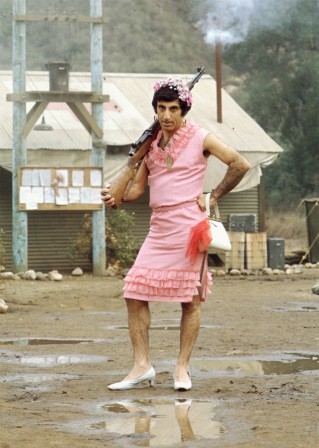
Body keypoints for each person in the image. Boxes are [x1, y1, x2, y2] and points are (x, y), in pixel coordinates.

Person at [101, 76, 250, 391]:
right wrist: (118, 186)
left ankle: (182, 369)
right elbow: (136, 192)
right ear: (155, 110)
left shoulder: (201, 137)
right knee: (134, 292)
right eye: (161, 108)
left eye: (173, 109)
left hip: (189, 226)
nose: (166, 115)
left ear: (184, 110)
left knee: (190, 300)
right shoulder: (151, 145)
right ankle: (142, 366)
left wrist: (213, 196)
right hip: (159, 227)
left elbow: (240, 164)